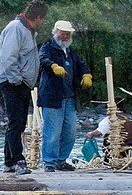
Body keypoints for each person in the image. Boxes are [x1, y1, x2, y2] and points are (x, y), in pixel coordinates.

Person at [0, 0, 48, 172]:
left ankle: (9, 161)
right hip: (12, 82)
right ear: (38, 17)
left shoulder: (28, 31)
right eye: (43, 19)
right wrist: (16, 79)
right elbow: (8, 56)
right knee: (16, 121)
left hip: (21, 82)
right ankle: (18, 160)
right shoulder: (16, 28)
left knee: (17, 123)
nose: (43, 22)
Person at [37, 20, 92, 170]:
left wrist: (87, 74)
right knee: (52, 133)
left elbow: (81, 64)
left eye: (68, 34)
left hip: (70, 97)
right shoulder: (47, 47)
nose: (65, 36)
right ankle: (49, 162)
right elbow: (42, 59)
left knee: (70, 132)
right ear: (55, 32)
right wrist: (53, 66)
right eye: (62, 33)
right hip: (52, 98)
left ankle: (61, 160)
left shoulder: (70, 50)